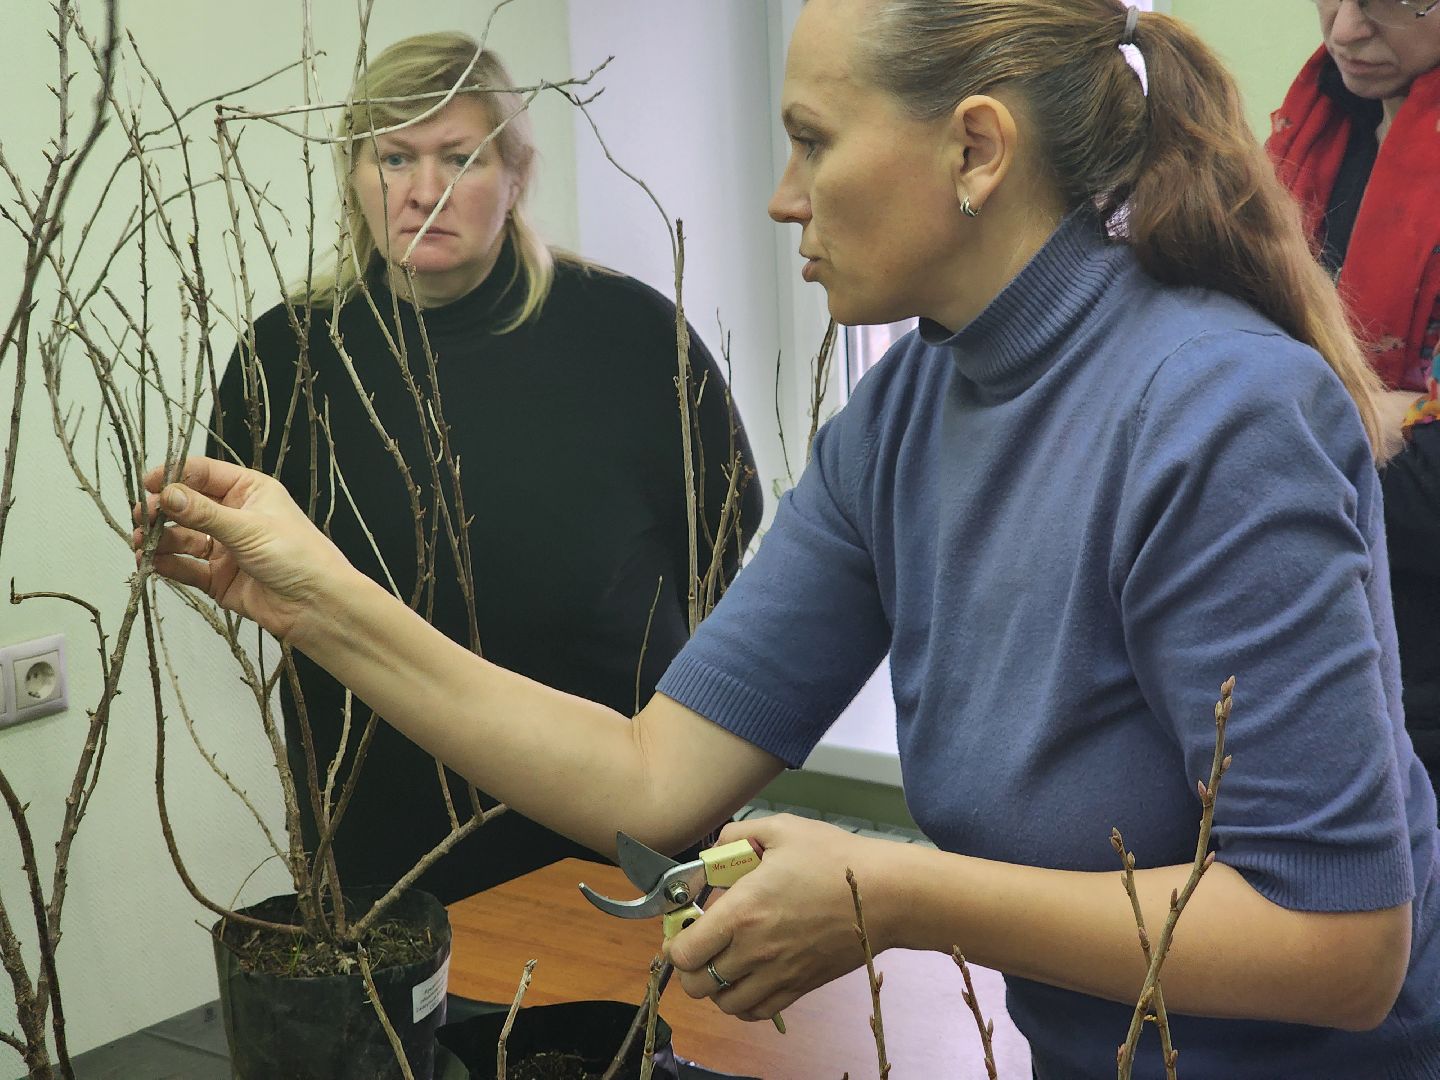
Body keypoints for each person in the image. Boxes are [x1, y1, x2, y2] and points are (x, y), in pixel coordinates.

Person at [142, 2, 1440, 1076]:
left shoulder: (1216, 410)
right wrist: (311, 598)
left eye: (812, 142)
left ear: (976, 151)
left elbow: (1336, 941)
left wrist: (892, 894)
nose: (779, 197)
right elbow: (650, 778)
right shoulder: (907, 414)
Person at [206, 33, 762, 904]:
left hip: (608, 819)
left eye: (459, 158)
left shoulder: (630, 335)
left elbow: (721, 546)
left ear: (516, 175)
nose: (423, 191)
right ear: (355, 175)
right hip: (380, 826)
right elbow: (249, 562)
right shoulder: (286, 358)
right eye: (394, 157)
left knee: (623, 1034)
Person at [1267, 0, 1440, 808]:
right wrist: (1389, 409)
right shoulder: (1317, 128)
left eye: (1389, 4)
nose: (1343, 31)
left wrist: (1291, 420)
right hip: (1321, 646)